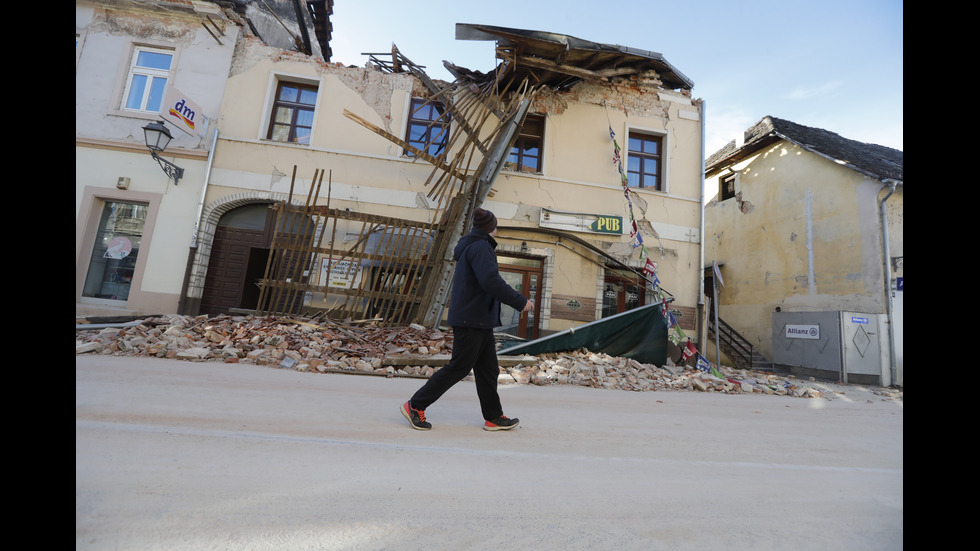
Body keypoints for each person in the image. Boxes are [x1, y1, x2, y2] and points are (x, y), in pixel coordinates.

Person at [401, 208, 534, 431]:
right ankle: (415, 405)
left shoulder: (473, 246)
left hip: (478, 319)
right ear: (492, 228)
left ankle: (493, 417)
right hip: (472, 319)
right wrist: (520, 301)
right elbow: (491, 281)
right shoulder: (481, 247)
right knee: (459, 368)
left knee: (488, 370)